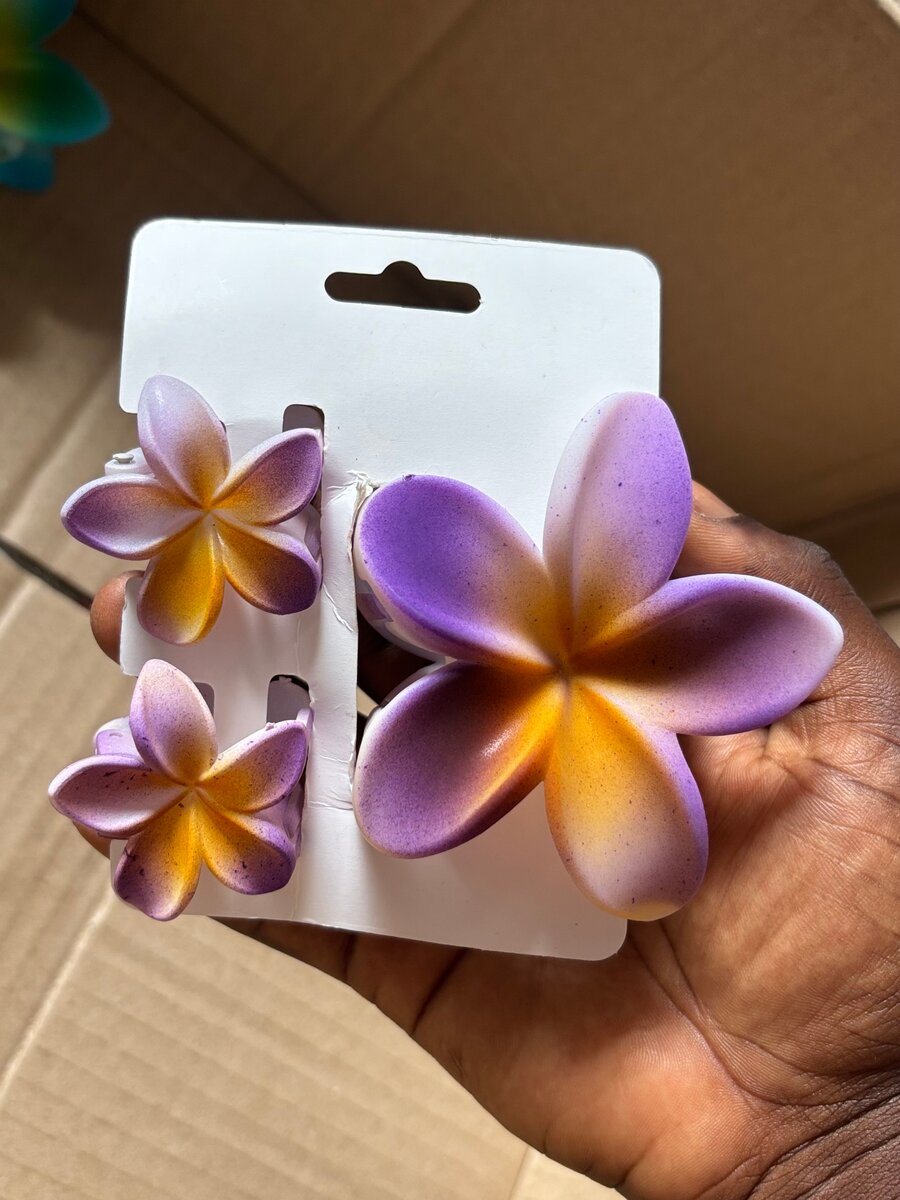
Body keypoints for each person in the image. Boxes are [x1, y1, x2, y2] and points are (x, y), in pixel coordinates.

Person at [88, 483, 900, 1200]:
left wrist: (840, 1130)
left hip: (580, 730)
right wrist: (826, 1146)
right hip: (477, 654)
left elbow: (773, 637)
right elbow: (404, 528)